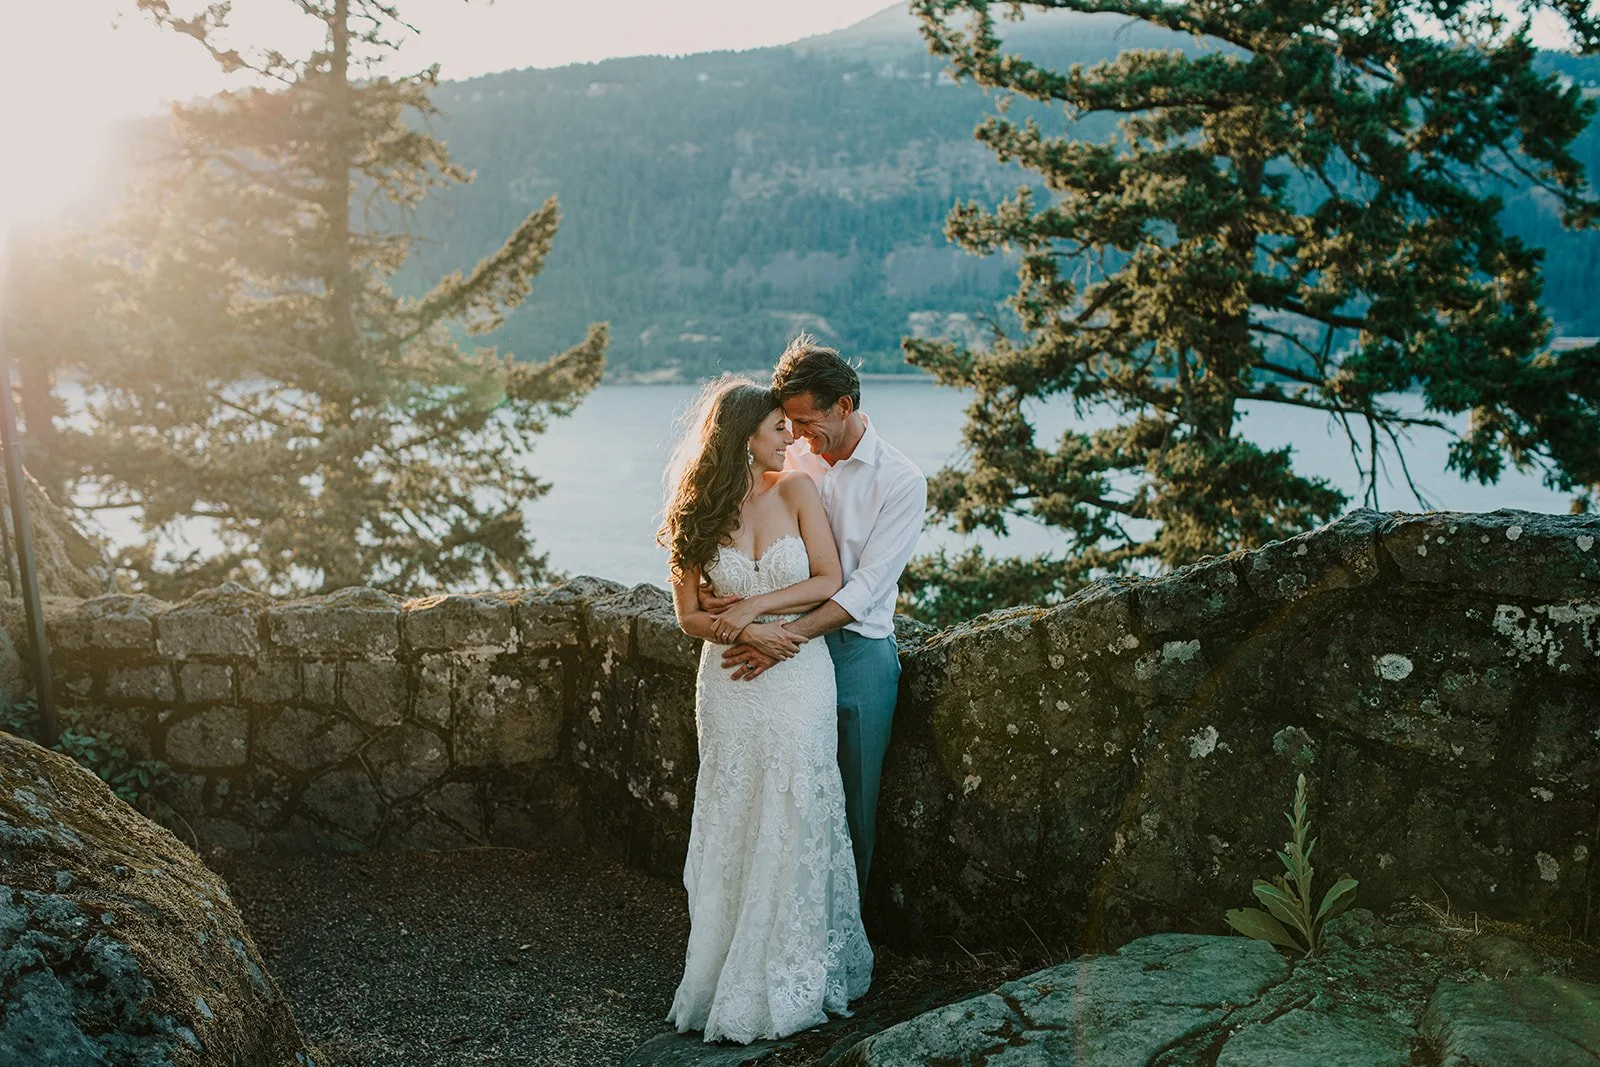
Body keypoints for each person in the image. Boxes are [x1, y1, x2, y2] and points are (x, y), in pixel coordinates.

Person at [658, 375, 873, 1045]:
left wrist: (754, 608)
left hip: (799, 675)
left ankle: (793, 968)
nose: (792, 437)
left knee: (797, 810)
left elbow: (829, 580)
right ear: (743, 437)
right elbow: (689, 615)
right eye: (779, 427)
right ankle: (725, 969)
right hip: (730, 684)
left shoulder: (798, 490)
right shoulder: (696, 508)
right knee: (737, 814)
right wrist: (741, 632)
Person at [711, 336, 928, 899]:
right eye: (791, 423)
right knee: (784, 797)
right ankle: (779, 926)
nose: (800, 435)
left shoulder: (901, 481)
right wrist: (720, 594)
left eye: (808, 422)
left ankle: (842, 947)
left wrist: (776, 636)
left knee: (852, 803)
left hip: (856, 654)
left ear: (845, 407)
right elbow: (735, 527)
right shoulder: (786, 455)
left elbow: (864, 589)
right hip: (786, 655)